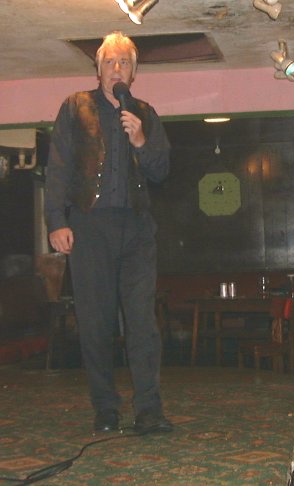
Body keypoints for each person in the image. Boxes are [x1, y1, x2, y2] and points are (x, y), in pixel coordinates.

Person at [45, 31, 172, 434]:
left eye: (124, 63)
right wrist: (56, 221)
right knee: (95, 322)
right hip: (89, 226)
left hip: (136, 230)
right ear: (97, 68)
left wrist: (140, 140)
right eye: (110, 62)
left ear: (134, 73)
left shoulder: (146, 114)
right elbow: (59, 168)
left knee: (142, 325)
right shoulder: (74, 107)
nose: (116, 68)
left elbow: (161, 170)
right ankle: (105, 408)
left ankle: (149, 409)